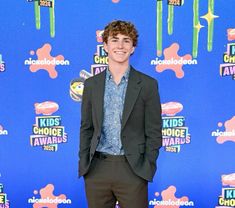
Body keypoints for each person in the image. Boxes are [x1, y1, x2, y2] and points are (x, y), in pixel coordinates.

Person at [79, 20, 162, 208]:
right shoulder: (92, 85)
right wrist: (85, 164)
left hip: (133, 169)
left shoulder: (148, 85)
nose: (120, 45)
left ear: (133, 48)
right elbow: (86, 128)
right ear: (105, 46)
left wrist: (146, 167)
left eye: (126, 40)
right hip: (97, 169)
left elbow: (154, 131)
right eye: (114, 40)